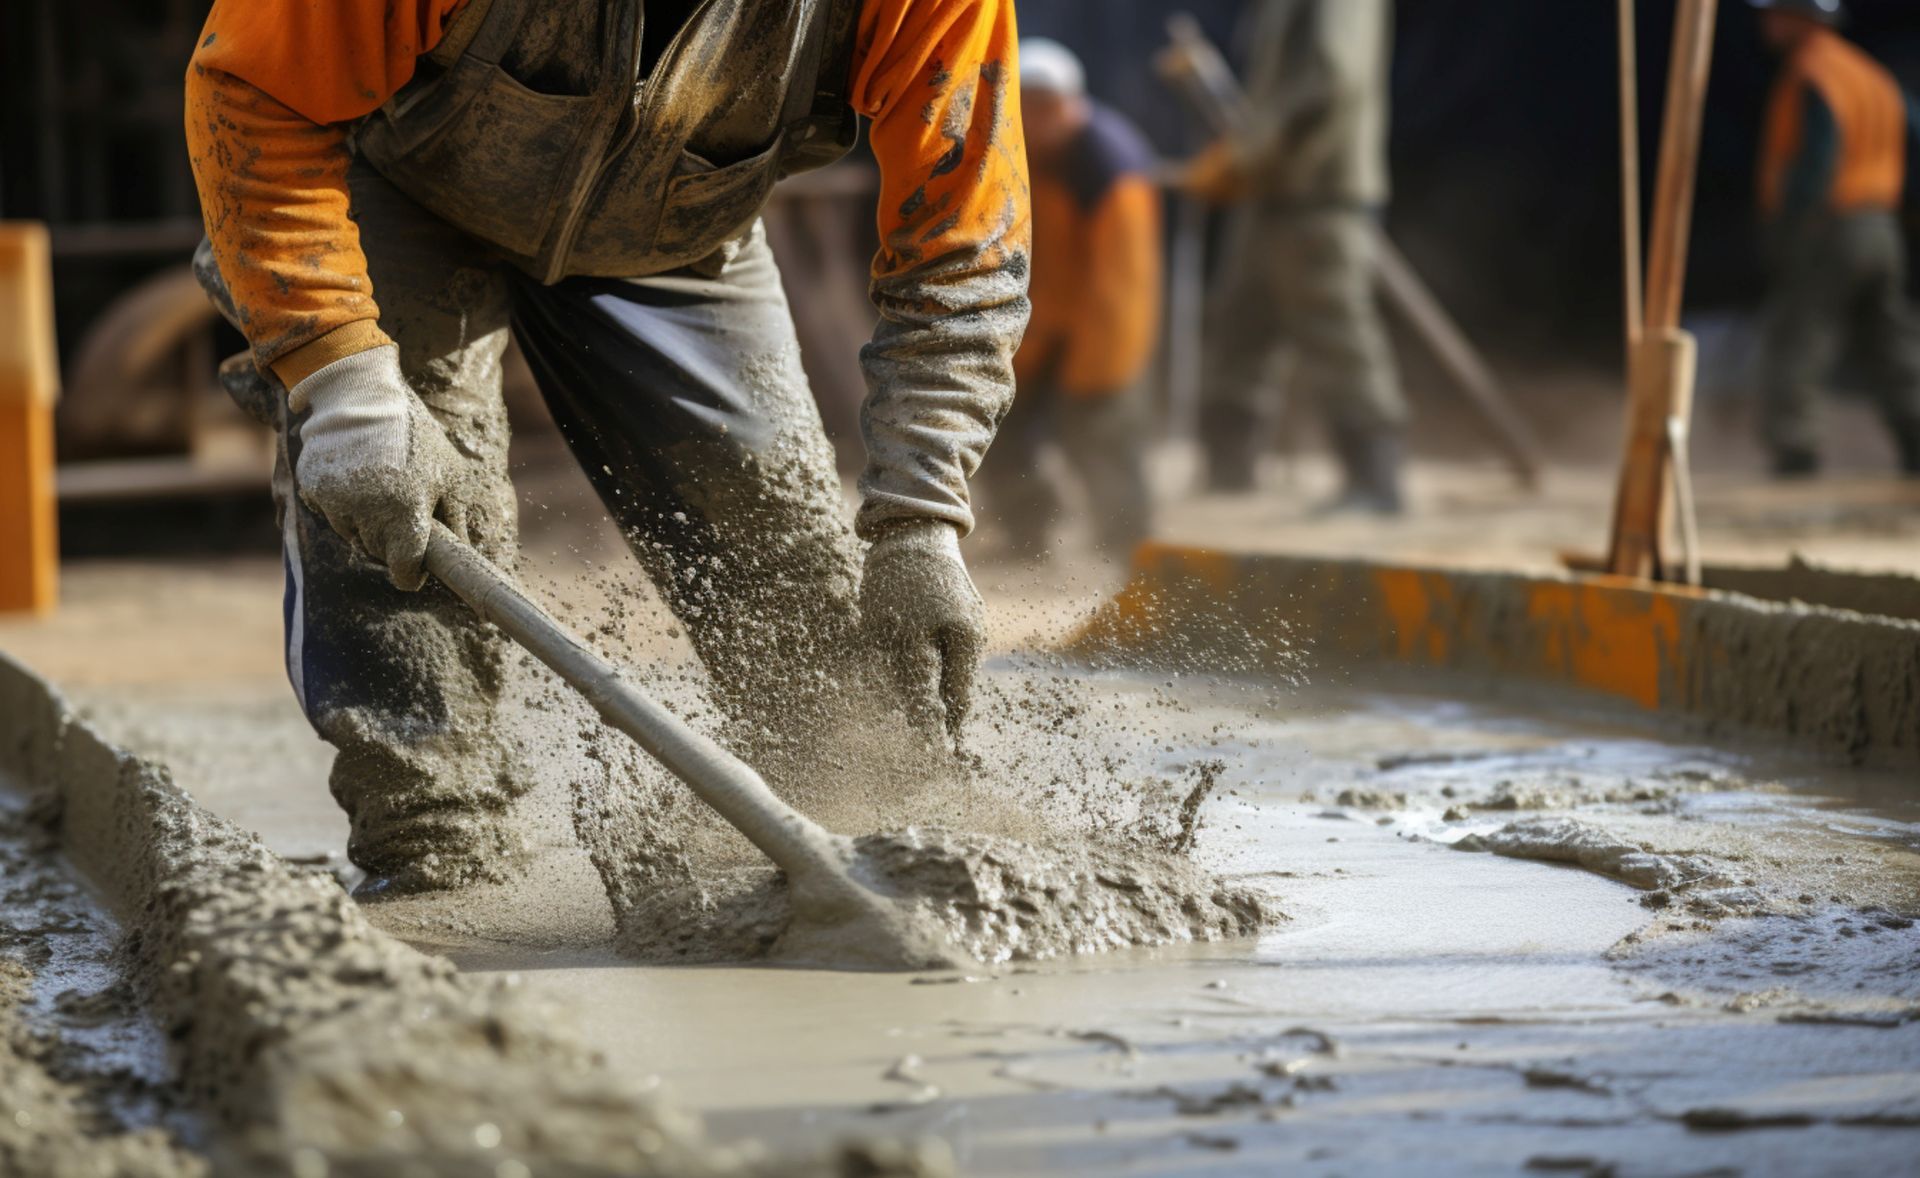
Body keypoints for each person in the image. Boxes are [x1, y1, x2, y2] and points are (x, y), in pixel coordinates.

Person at [183, 0, 1030, 896]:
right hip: (397, 184)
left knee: (792, 585)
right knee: (404, 526)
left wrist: (919, 521)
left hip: (680, 224)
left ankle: (872, 839)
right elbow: (251, 84)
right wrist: (343, 380)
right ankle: (438, 857)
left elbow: (963, 254)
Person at [1182, 0, 1408, 514]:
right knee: (1240, 329)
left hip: (1317, 187)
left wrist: (1246, 155)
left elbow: (1329, 80)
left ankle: (1376, 483)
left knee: (1337, 332)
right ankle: (1227, 475)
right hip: (1274, 190)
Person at [985, 38, 1160, 561]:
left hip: (1100, 330)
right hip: (1039, 323)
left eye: (1048, 107)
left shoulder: (1108, 164)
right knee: (1005, 433)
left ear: (1069, 104)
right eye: (1027, 106)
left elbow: (1124, 283)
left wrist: (1101, 365)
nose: (1038, 120)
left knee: (1103, 438)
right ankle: (1027, 538)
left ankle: (1130, 549)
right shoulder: (1014, 153)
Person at [1750, 0, 1920, 477]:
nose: (1767, 23)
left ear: (1803, 17)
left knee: (1798, 334)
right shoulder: (1870, 75)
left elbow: (1815, 158)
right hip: (1881, 226)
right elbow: (1915, 131)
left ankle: (1795, 450)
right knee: (1889, 339)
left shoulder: (1813, 73)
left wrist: (1790, 226)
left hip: (1832, 225)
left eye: (1775, 13)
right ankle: (1915, 437)